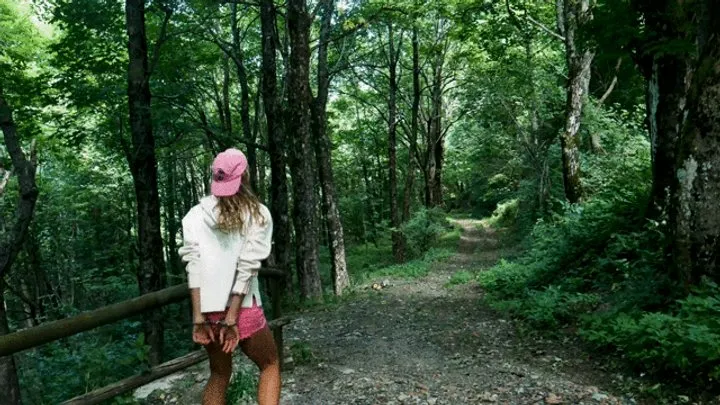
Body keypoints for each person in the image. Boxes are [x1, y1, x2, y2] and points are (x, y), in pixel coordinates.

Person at [178, 148, 280, 405]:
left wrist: (199, 318)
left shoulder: (193, 216)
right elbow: (247, 268)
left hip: (207, 313)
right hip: (243, 309)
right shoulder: (257, 214)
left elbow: (194, 267)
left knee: (219, 373)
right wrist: (232, 318)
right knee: (269, 364)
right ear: (244, 176)